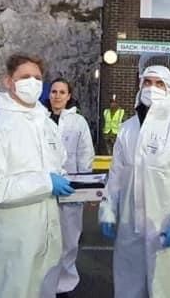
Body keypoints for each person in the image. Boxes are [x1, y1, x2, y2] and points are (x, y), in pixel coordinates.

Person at [0, 54, 74, 298]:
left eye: (37, 78)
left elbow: (58, 166)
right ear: (8, 81)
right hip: (9, 242)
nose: (32, 83)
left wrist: (68, 182)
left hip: (46, 238)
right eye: (25, 77)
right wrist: (45, 183)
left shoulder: (47, 126)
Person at [98, 65, 170, 298]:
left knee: (165, 290)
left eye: (159, 83)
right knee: (128, 288)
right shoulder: (127, 129)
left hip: (165, 228)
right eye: (147, 82)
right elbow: (116, 175)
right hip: (129, 228)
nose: (152, 88)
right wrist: (107, 209)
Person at [44, 78, 96, 298]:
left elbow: (86, 154)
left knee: (69, 238)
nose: (57, 96)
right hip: (45, 187)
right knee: (45, 238)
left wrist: (85, 187)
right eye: (54, 91)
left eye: (62, 92)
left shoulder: (78, 122)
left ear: (68, 96)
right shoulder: (40, 120)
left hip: (71, 188)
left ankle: (65, 283)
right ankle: (45, 282)